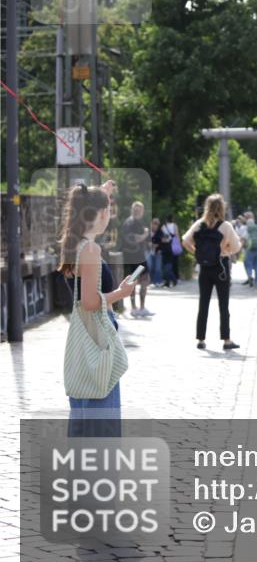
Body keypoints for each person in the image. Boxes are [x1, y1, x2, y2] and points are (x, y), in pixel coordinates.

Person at [59, 182, 136, 426]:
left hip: (83, 336)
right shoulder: (90, 249)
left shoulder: (74, 244)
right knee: (102, 421)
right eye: (109, 210)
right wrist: (121, 293)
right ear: (102, 213)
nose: (110, 216)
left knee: (84, 418)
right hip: (97, 336)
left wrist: (101, 195)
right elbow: (90, 301)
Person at [183, 193, 242, 351]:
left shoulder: (200, 224)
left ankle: (201, 339)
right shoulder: (226, 226)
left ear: (207, 207)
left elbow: (185, 241)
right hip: (221, 267)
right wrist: (225, 249)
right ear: (222, 208)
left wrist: (197, 253)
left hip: (204, 268)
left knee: (203, 303)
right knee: (223, 304)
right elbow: (236, 247)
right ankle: (226, 340)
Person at [119, 201, 153, 317]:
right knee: (132, 282)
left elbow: (145, 239)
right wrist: (144, 235)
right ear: (132, 210)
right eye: (136, 210)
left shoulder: (140, 222)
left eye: (139, 210)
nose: (137, 212)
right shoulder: (129, 223)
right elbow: (134, 239)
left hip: (140, 258)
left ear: (142, 211)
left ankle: (142, 308)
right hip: (131, 259)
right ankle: (134, 308)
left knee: (144, 281)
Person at [243, 212, 257, 287]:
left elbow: (244, 239)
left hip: (250, 250)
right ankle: (256, 281)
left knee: (248, 264)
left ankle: (249, 276)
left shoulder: (246, 229)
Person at [161, 214, 180, 288]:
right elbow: (177, 236)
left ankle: (168, 281)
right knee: (172, 264)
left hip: (165, 247)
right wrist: (178, 245)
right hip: (173, 247)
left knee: (165, 265)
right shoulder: (174, 226)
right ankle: (173, 279)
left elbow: (162, 237)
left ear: (166, 220)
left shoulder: (163, 227)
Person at [148, 218, 164, 287]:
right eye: (154, 223)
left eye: (156, 224)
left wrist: (154, 244)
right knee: (150, 266)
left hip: (158, 252)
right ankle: (151, 281)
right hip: (149, 252)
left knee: (158, 267)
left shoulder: (160, 232)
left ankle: (158, 281)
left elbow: (162, 242)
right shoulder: (148, 232)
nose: (155, 225)